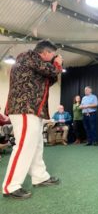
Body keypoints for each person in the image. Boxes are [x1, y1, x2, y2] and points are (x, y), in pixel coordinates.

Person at [2, 40, 62, 199]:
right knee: (23, 146)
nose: (53, 58)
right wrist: (57, 64)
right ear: (45, 53)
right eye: (52, 55)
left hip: (32, 109)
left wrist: (55, 67)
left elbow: (51, 78)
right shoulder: (28, 56)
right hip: (24, 107)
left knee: (36, 145)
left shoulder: (35, 66)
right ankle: (10, 185)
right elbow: (50, 70)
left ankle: (39, 176)